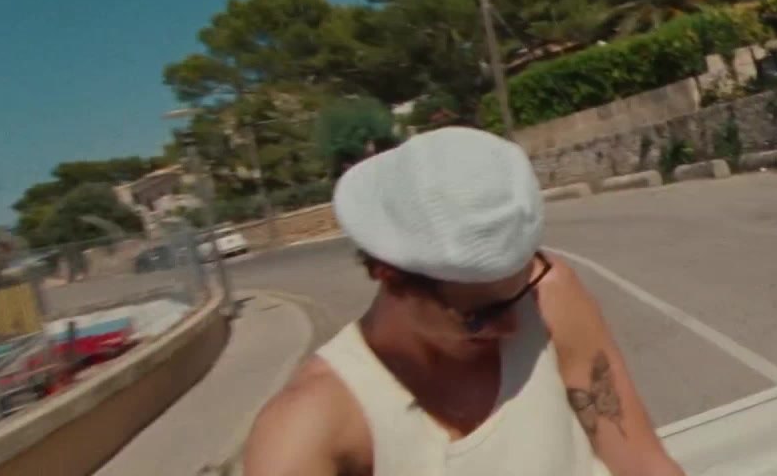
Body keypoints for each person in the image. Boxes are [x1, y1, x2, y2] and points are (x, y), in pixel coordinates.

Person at [242, 126, 685, 476]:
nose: (514, 326)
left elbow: (643, 464)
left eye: (519, 289)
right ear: (389, 275)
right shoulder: (310, 429)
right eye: (481, 314)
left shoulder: (549, 296)